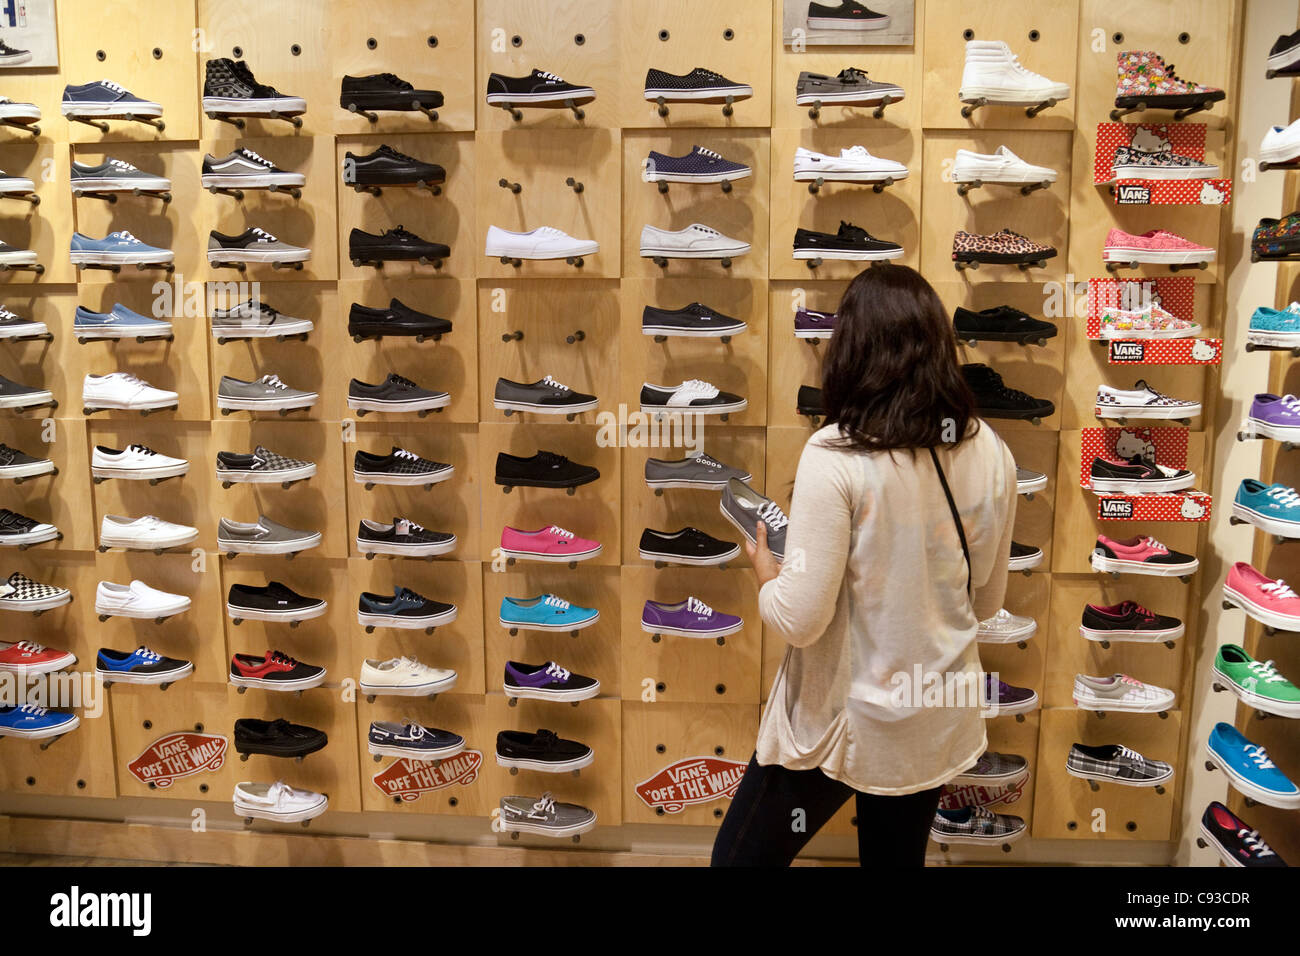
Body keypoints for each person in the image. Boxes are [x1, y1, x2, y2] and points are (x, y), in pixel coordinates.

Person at [711, 264, 1017, 867]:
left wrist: (766, 573)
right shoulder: (989, 449)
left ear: (851, 347)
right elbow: (983, 604)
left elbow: (801, 619)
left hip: (847, 721)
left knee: (739, 861)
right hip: (932, 716)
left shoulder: (837, 453)